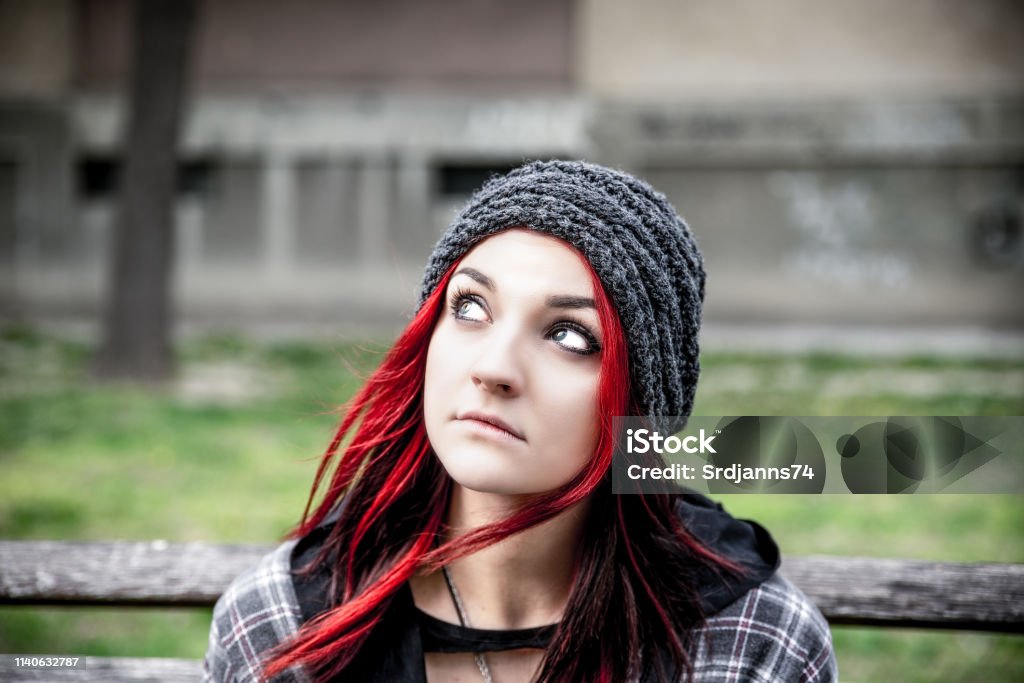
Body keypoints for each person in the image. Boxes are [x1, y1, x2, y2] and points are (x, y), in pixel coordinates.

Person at [203, 160, 838, 682]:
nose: (494, 368)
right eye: (471, 307)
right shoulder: (285, 628)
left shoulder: (747, 644)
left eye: (569, 334)